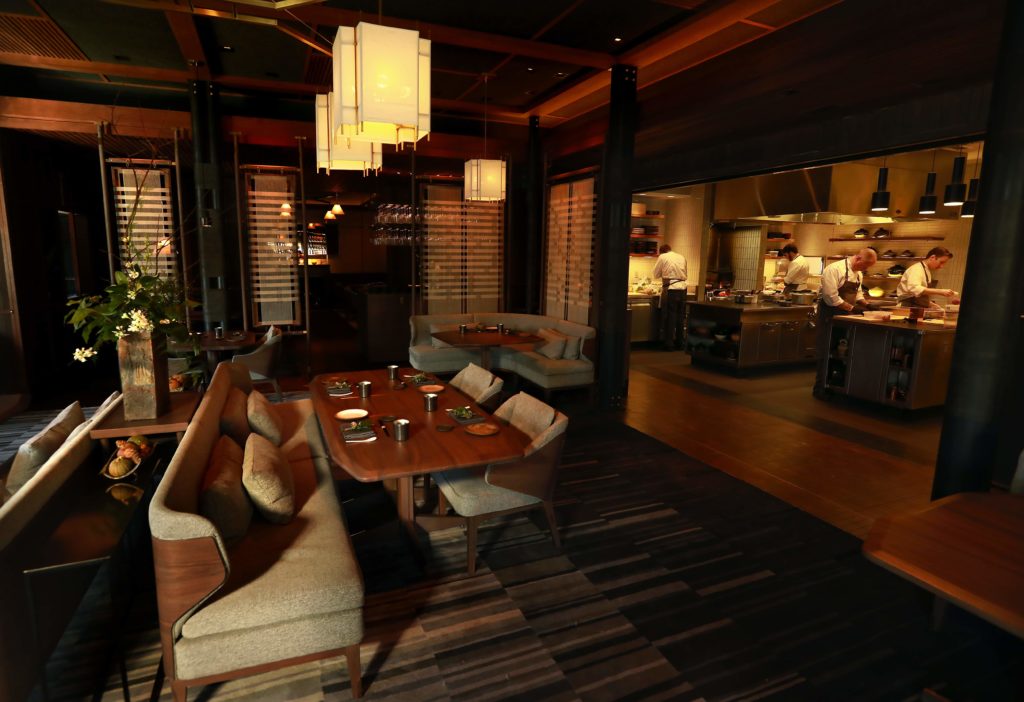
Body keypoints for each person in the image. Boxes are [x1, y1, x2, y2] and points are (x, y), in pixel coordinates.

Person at [812, 247, 877, 398]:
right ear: (858, 258)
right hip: (830, 316)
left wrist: (867, 305)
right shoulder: (834, 269)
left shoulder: (858, 273)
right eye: (865, 265)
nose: (866, 269)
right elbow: (831, 297)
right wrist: (852, 308)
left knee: (841, 351)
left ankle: (836, 385)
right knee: (825, 350)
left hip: (846, 318)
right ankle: (820, 388)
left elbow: (858, 293)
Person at [652, 244, 688, 350]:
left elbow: (655, 274)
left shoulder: (662, 257)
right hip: (683, 289)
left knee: (669, 316)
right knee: (681, 317)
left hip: (671, 289)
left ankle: (669, 344)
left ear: (661, 252)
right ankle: (680, 343)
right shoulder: (682, 257)